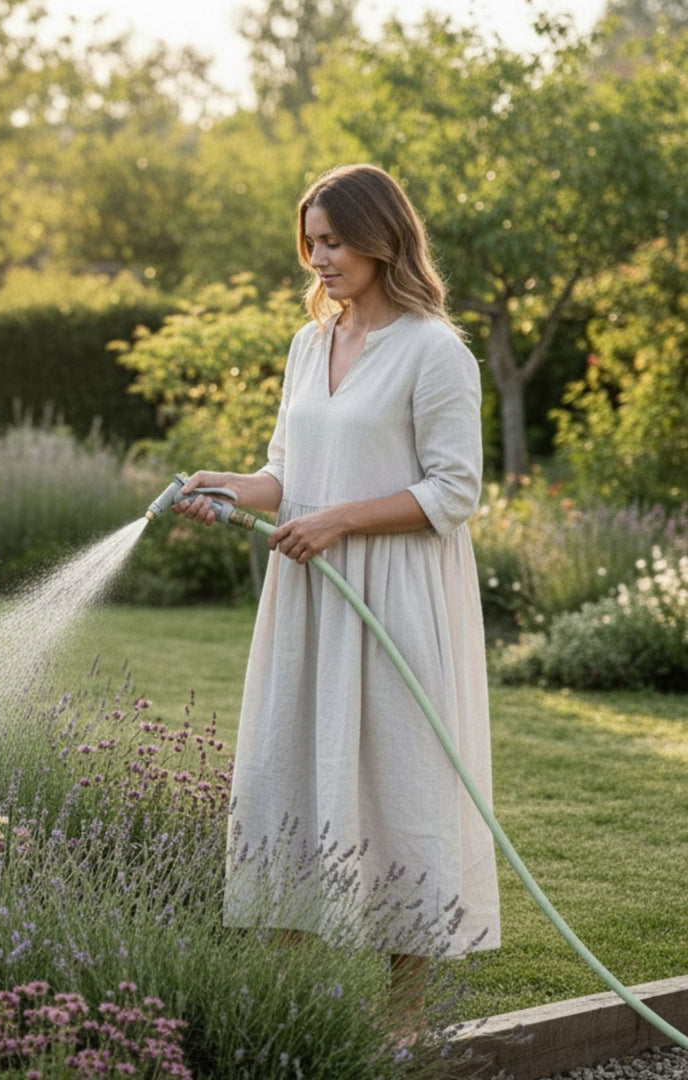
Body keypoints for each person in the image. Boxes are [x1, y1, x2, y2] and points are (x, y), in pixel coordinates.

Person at [174, 163, 500, 1032]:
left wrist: (341, 524)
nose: (320, 259)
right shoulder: (308, 343)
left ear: (383, 238)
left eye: (334, 241)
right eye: (310, 244)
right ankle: (294, 1010)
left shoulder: (436, 352)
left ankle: (404, 1022)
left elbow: (454, 492)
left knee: (402, 786)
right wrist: (232, 486)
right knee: (291, 775)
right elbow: (288, 472)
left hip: (392, 602)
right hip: (310, 599)